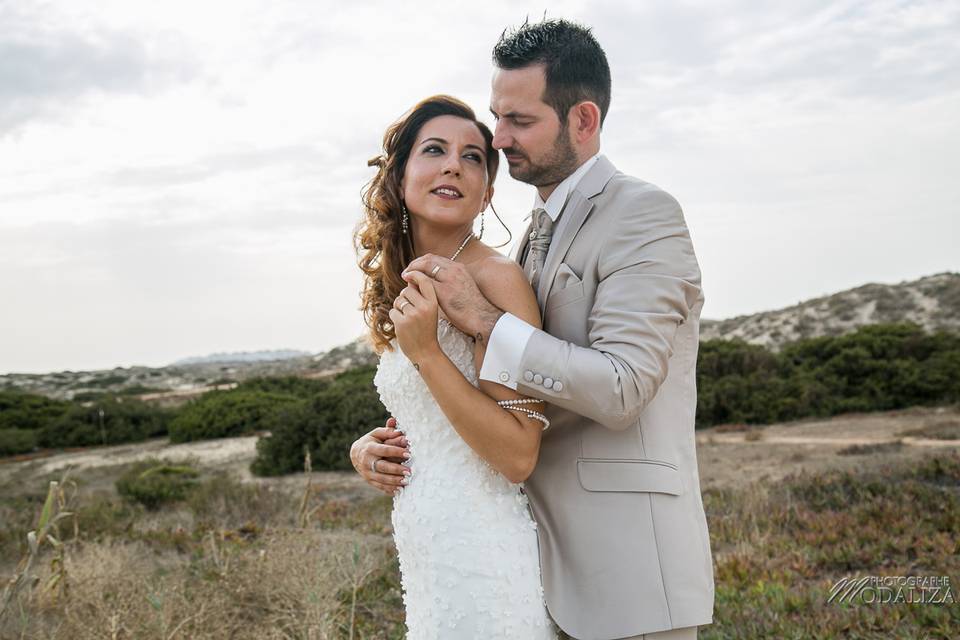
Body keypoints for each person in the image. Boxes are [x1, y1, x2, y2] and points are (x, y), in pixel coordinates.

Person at [351, 19, 715, 640]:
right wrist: (377, 448)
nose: (500, 138)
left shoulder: (642, 213)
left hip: (626, 574)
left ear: (583, 120)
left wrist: (485, 323)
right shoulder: (529, 239)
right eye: (499, 118)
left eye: (519, 122)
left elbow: (624, 387)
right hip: (528, 563)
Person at [354, 94, 557, 638]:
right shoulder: (398, 282)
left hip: (484, 555)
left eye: (472, 157)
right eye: (435, 150)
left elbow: (517, 453)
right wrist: (366, 450)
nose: (453, 164)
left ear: (487, 191)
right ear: (399, 179)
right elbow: (430, 418)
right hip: (426, 553)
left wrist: (426, 354)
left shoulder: (493, 281)